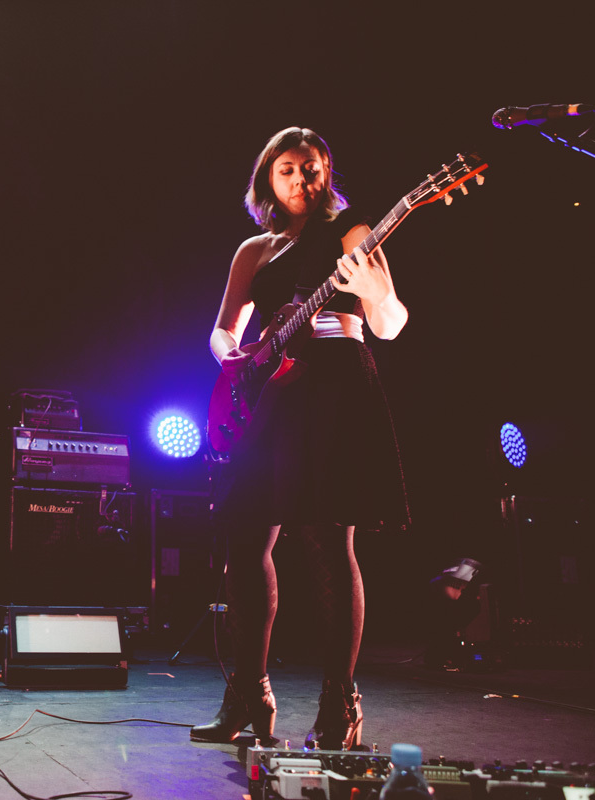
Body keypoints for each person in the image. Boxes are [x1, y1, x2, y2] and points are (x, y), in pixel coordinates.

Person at [190, 127, 409, 750]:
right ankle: (250, 695)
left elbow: (389, 323)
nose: (301, 181)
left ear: (327, 173)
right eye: (288, 170)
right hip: (269, 395)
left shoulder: (351, 231)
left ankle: (340, 702)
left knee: (325, 539)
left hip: (337, 383)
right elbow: (221, 331)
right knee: (243, 539)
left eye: (312, 169)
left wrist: (372, 289)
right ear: (268, 179)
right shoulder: (254, 251)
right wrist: (237, 360)